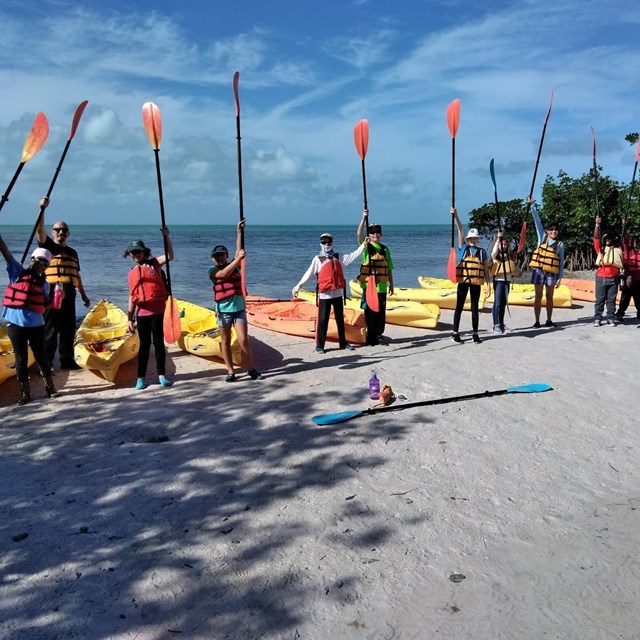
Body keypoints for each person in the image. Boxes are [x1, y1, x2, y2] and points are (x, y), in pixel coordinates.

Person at [1, 232, 58, 405]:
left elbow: (46, 304)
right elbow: (4, 250)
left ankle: (51, 389)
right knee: (21, 360)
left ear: (46, 267)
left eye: (44, 264)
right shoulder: (16, 271)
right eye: (38, 261)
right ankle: (25, 394)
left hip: (36, 325)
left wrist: (53, 302)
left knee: (42, 357)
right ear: (32, 260)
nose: (40, 265)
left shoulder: (44, 284)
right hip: (15, 325)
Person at [36, 197, 90, 369]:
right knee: (50, 328)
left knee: (68, 328)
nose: (61, 232)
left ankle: (67, 360)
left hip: (69, 291)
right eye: (58, 230)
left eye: (64, 230)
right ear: (52, 232)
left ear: (68, 233)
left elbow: (76, 275)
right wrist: (42, 209)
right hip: (51, 290)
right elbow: (39, 231)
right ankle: (47, 363)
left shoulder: (73, 252)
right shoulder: (49, 247)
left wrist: (83, 295)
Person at [292, 232, 368, 353]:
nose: (327, 244)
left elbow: (354, 255)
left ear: (332, 242)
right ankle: (320, 345)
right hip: (325, 295)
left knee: (340, 319)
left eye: (329, 241)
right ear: (320, 243)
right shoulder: (318, 259)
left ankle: (343, 343)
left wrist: (364, 245)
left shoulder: (339, 257)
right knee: (323, 320)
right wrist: (298, 286)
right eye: (324, 241)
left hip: (337, 294)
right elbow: (309, 274)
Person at [209, 220, 262, 382]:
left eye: (222, 255)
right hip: (223, 310)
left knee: (243, 339)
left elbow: (239, 250)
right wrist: (237, 259)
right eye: (216, 256)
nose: (219, 258)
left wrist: (239, 232)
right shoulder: (213, 270)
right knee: (225, 340)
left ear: (226, 255)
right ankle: (230, 371)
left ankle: (251, 368)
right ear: (213, 259)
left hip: (238, 308)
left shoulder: (236, 265)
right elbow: (224, 274)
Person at [125, 228, 174, 389]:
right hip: (142, 313)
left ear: (144, 251)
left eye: (138, 251)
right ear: (130, 255)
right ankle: (141, 378)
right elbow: (132, 297)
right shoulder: (132, 272)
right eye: (133, 253)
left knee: (159, 343)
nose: (136, 255)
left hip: (158, 311)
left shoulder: (154, 263)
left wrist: (166, 237)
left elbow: (170, 256)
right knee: (144, 346)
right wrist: (129, 319)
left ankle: (161, 375)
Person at [450, 207, 491, 344]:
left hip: (476, 283)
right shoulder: (463, 248)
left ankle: (475, 333)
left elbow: (485, 270)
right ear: (468, 239)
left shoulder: (482, 252)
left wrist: (489, 285)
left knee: (474, 308)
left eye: (475, 238)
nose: (473, 240)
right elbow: (460, 230)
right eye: (471, 238)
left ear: (477, 239)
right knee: (459, 307)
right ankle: (455, 333)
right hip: (463, 281)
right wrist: (456, 215)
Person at [356, 210, 394, 346]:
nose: (375, 234)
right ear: (369, 235)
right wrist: (363, 218)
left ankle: (379, 335)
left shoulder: (385, 249)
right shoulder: (366, 246)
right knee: (370, 312)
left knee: (380, 313)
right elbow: (359, 234)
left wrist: (392, 285)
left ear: (381, 234)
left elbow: (389, 268)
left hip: (382, 287)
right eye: (372, 232)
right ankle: (370, 335)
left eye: (377, 232)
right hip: (369, 287)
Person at [528, 196, 564, 328]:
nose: (554, 231)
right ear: (547, 231)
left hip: (551, 272)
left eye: (555, 229)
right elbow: (537, 221)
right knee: (538, 296)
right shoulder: (542, 237)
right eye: (551, 229)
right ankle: (537, 321)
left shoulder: (560, 244)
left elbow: (561, 262)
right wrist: (532, 206)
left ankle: (549, 320)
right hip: (538, 271)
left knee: (550, 296)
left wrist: (560, 277)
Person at [592, 216, 623, 326]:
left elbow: (624, 238)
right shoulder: (600, 249)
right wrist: (597, 225)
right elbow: (595, 238)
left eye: (610, 237)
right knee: (600, 299)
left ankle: (610, 317)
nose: (608, 239)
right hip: (601, 278)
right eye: (606, 238)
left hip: (614, 278)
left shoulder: (618, 249)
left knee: (611, 300)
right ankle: (598, 318)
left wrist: (624, 225)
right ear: (603, 240)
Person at [490, 231, 520, 334]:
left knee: (503, 304)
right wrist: (498, 239)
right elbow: (493, 252)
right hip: (499, 282)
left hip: (507, 282)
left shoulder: (510, 256)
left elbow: (515, 267)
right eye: (502, 244)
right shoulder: (496, 256)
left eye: (506, 244)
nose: (504, 246)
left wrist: (519, 272)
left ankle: (501, 324)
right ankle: (495, 325)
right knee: (497, 304)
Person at [616, 218, 640, 322]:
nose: (634, 243)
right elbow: (624, 239)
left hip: (639, 279)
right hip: (628, 278)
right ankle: (620, 314)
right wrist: (624, 226)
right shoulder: (627, 250)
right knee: (625, 298)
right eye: (632, 241)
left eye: (636, 241)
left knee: (639, 299)